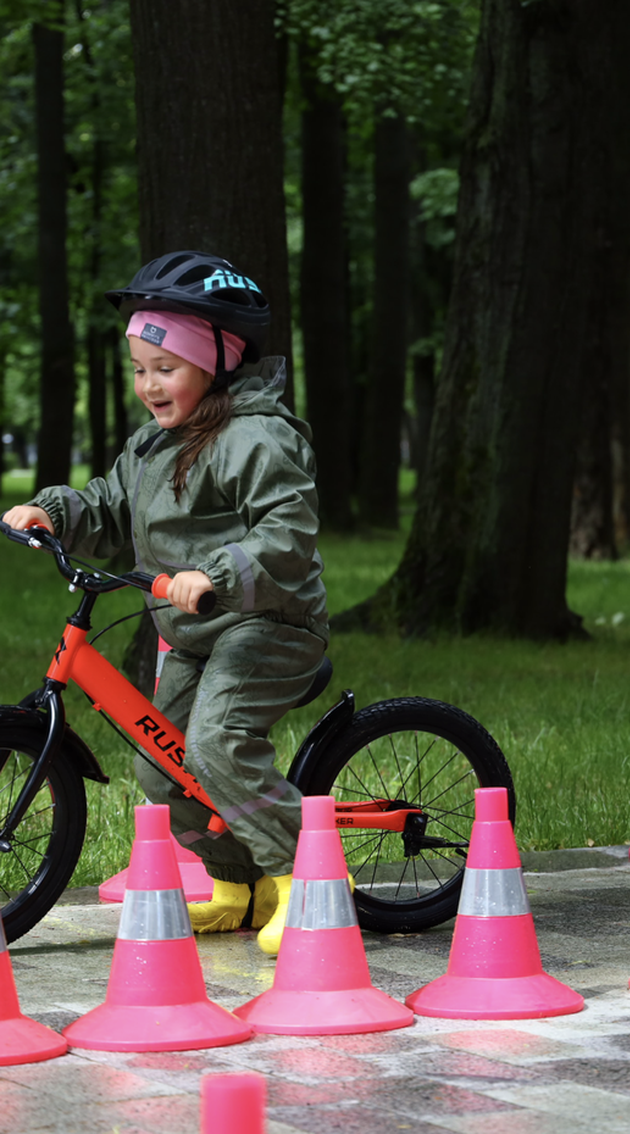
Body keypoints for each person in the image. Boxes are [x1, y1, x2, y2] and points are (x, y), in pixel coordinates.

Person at [2, 250, 329, 955]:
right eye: (140, 369)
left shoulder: (256, 436)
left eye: (166, 367)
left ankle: (308, 879)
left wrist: (213, 572)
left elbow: (289, 528)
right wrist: (54, 512)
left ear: (218, 360)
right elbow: (110, 508)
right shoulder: (154, 446)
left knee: (215, 744)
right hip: (196, 631)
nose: (149, 384)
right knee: (164, 764)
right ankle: (240, 886)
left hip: (267, 621)